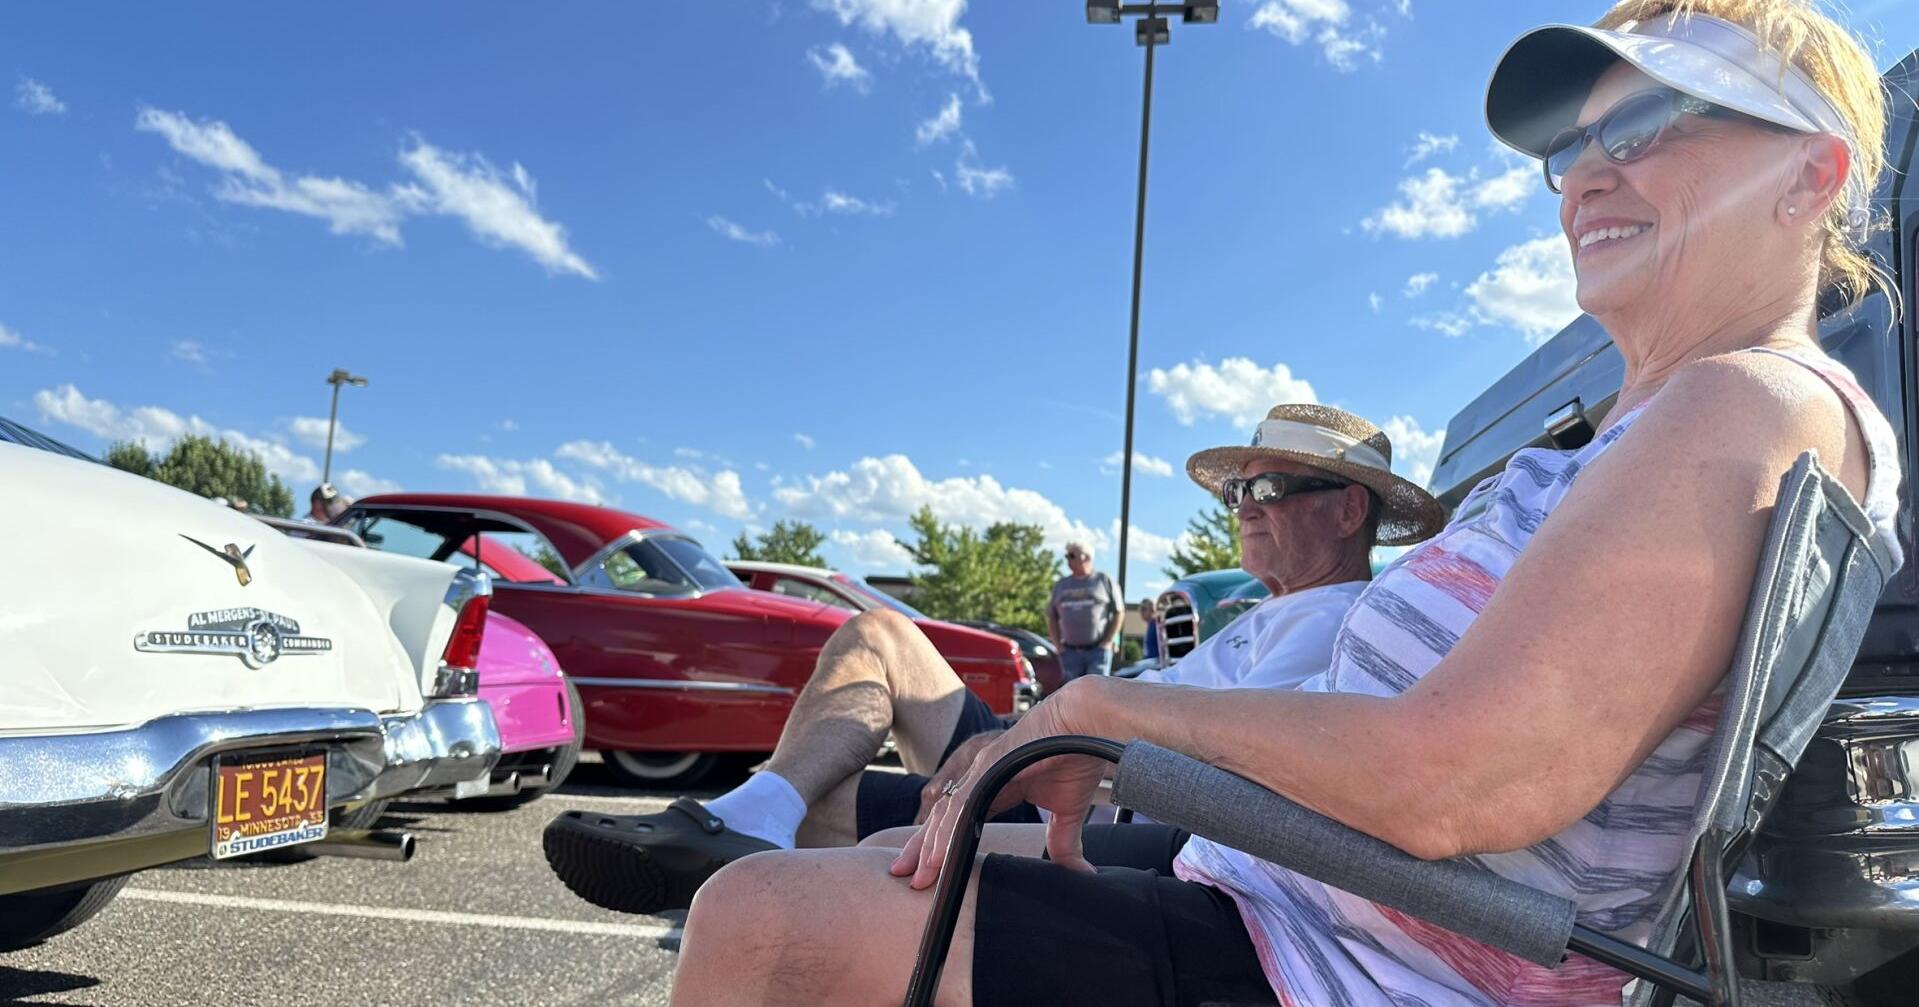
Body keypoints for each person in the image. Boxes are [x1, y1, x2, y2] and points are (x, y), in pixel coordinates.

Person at [670, 4, 1906, 1005]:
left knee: (762, 924)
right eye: (1568, 148)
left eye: (1642, 123)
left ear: (1808, 173)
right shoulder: (1639, 431)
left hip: (1359, 966)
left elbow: (1461, 778)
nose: (1584, 173)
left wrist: (1094, 712)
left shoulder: (1745, 400)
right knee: (861, 863)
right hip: (1295, 894)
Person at [541, 404, 1442, 920]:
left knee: (834, 817)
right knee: (878, 633)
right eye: (1241, 487)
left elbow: (1235, 782)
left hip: (1080, 792)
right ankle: (750, 815)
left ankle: (742, 825)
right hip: (1051, 753)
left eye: (1271, 486)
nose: (1243, 506)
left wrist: (1043, 742)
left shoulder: (1337, 622)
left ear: (1347, 510)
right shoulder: (1260, 611)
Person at [1047, 542, 1119, 681]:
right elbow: (1051, 616)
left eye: (1072, 555)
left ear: (1086, 557)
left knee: (1097, 690)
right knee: (1071, 691)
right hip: (1069, 652)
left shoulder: (1103, 580)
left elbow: (1119, 612)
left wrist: (1108, 641)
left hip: (1097, 651)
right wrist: (1058, 645)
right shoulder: (1061, 585)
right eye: (1067, 555)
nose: (1067, 558)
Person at [1140, 597, 1161, 662]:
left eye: (1143, 609)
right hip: (1150, 662)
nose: (1141, 612)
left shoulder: (1158, 625)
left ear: (1152, 610)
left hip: (1156, 664)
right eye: (1140, 609)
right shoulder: (1151, 625)